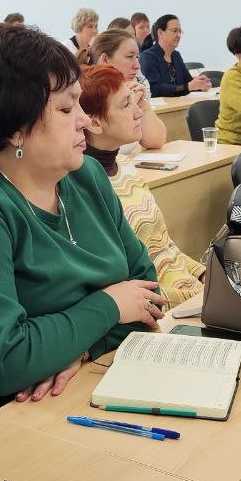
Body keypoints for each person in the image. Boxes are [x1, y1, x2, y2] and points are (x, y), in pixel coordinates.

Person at [0, 24, 166, 410]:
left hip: (82, 384)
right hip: (0, 415)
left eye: (79, 104)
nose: (84, 120)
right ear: (14, 129)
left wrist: (77, 349)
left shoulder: (86, 176)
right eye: (65, 109)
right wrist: (110, 305)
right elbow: (3, 363)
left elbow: (149, 294)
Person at [80, 66, 204, 306]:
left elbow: (163, 245)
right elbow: (124, 282)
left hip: (186, 290)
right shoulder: (83, 185)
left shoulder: (124, 164)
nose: (139, 112)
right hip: (158, 305)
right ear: (94, 122)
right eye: (126, 105)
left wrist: (201, 274)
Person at [90, 28, 165, 149]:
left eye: (137, 57)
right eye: (130, 56)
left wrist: (143, 104)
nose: (137, 66)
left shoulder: (132, 90)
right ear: (105, 60)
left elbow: (155, 141)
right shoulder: (92, 97)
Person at [140, 14, 211, 96]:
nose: (179, 35)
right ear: (160, 33)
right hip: (160, 103)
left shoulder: (176, 55)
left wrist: (200, 84)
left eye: (180, 31)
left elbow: (187, 82)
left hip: (179, 102)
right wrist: (189, 86)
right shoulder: (148, 57)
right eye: (174, 31)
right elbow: (156, 89)